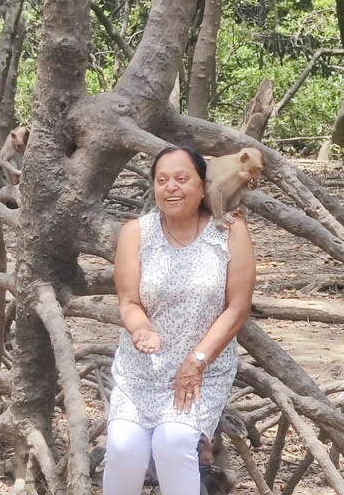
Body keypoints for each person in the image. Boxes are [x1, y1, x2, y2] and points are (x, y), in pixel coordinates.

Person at [103, 146, 256, 495]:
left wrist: (197, 360)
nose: (171, 187)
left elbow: (238, 308)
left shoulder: (230, 231)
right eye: (162, 180)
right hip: (142, 368)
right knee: (124, 449)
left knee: (172, 446)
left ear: (203, 186)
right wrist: (140, 328)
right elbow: (129, 301)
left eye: (181, 179)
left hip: (201, 369)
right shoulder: (135, 232)